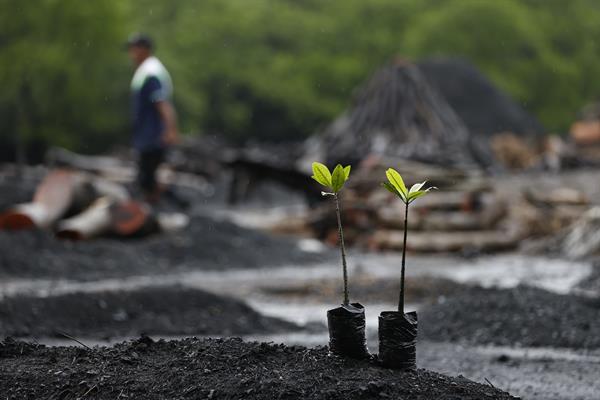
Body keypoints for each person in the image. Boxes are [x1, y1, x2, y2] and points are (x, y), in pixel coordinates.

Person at [126, 33, 178, 201]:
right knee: (146, 178)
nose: (131, 53)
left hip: (152, 136)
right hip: (147, 135)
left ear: (144, 49)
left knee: (146, 179)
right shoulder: (147, 70)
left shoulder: (151, 72)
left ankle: (153, 213)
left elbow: (161, 103)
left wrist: (170, 129)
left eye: (134, 48)